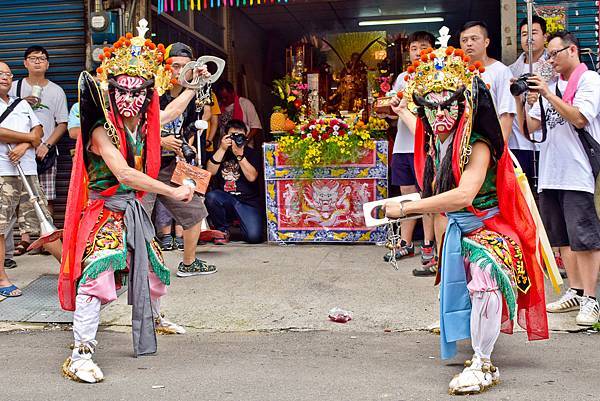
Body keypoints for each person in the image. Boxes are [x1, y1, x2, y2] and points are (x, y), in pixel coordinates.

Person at [386, 28, 548, 395]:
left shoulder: (478, 143)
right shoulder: (441, 136)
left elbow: (463, 194)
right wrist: (404, 113)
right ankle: (469, 335)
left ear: (466, 106)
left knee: (485, 277)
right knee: (458, 283)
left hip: (488, 227)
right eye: (433, 105)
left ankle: (484, 362)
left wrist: (408, 207)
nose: (441, 113)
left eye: (449, 104)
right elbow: (428, 132)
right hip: (459, 228)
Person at [58, 22, 203, 383]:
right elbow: (123, 174)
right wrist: (171, 191)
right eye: (121, 88)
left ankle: (154, 319)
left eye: (137, 90)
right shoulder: (99, 128)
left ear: (149, 91)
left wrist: (193, 86)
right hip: (106, 210)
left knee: (154, 273)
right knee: (98, 277)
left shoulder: (143, 121)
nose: (129, 97)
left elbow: (166, 115)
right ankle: (80, 353)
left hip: (134, 211)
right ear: (111, 88)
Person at [516, 31, 600, 326]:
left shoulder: (589, 81)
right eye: (548, 56)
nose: (550, 60)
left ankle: (591, 298)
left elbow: (580, 118)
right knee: (562, 238)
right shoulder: (550, 85)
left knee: (585, 239)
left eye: (554, 54)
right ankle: (575, 291)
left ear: (572, 50)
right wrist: (525, 101)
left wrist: (549, 95)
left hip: (577, 172)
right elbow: (532, 128)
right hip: (551, 171)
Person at [142, 41, 218, 276]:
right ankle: (131, 267)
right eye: (175, 66)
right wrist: (160, 141)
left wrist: (185, 147)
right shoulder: (151, 91)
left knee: (195, 210)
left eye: (185, 67)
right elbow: (138, 130)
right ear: (165, 68)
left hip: (173, 164)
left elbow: (194, 127)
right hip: (145, 164)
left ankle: (189, 262)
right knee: (139, 215)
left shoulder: (195, 97)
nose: (179, 71)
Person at [0, 61, 62, 297]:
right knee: (1, 227)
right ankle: (2, 278)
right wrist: (28, 139)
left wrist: (25, 143)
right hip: (2, 172)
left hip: (27, 170)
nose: (4, 77)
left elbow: (39, 134)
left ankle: (70, 270)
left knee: (44, 222)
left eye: (7, 74)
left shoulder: (21, 104)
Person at [386, 31, 437, 276]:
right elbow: (394, 106)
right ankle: (406, 243)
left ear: (433, 49)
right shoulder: (403, 77)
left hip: (424, 146)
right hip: (402, 145)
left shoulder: (437, 74)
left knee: (427, 194)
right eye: (414, 47)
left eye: (423, 46)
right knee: (407, 196)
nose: (418, 51)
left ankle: (428, 244)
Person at [9, 45, 69, 255]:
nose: (37, 61)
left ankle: (46, 239)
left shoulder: (56, 91)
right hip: (15, 151)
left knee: (46, 195)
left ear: (48, 64)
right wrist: (22, 102)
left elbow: (63, 123)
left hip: (45, 152)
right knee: (18, 195)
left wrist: (47, 145)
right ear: (25, 63)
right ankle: (24, 239)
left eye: (42, 58)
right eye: (33, 58)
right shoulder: (13, 88)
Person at [205, 119, 262, 244]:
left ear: (246, 137)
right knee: (211, 196)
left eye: (240, 136)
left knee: (254, 237)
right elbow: (210, 172)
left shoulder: (252, 153)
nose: (236, 139)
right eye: (232, 136)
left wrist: (239, 155)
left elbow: (252, 177)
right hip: (226, 199)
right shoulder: (221, 153)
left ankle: (240, 226)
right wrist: (222, 148)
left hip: (248, 202)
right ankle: (222, 231)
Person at [508, 16, 549, 191]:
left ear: (545, 37)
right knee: (522, 195)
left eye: (533, 33)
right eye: (524, 34)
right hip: (517, 143)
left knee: (546, 196)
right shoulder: (510, 70)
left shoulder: (554, 67)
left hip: (546, 144)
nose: (529, 38)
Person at [459, 21, 516, 141]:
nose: (469, 43)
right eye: (464, 40)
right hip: (462, 144)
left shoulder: (501, 71)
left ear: (486, 42)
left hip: (489, 143)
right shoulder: (457, 73)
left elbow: (506, 115)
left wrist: (498, 149)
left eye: (474, 39)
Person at [214, 80, 262, 147]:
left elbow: (255, 127)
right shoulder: (219, 106)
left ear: (233, 93)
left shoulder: (245, 104)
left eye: (226, 97)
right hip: (224, 147)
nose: (223, 100)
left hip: (243, 147)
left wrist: (245, 141)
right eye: (221, 98)